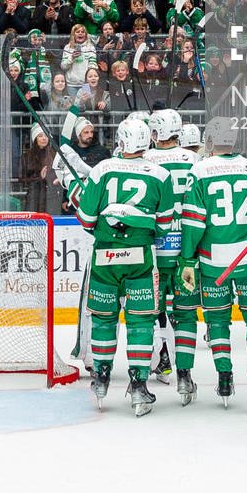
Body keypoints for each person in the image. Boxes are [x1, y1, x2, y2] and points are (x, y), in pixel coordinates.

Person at [70, 113, 173, 415]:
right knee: (141, 322)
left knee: (104, 319)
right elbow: (164, 225)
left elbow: (86, 220)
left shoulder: (102, 169)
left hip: (106, 257)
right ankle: (139, 386)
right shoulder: (160, 174)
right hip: (141, 257)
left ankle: (101, 379)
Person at [177, 118, 247, 409]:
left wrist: (187, 258)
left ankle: (225, 377)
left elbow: (193, 221)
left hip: (214, 260)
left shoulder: (200, 170)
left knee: (217, 320)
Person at [144, 108, 198, 398]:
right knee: (186, 314)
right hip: (188, 254)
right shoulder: (196, 160)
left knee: (154, 311)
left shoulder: (146, 160)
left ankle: (162, 358)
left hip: (155, 252)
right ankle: (185, 375)